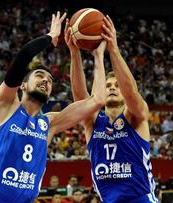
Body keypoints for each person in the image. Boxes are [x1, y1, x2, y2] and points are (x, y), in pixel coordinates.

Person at [0, 11, 107, 202]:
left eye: (50, 80)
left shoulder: (49, 123)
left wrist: (94, 56)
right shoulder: (5, 106)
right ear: (23, 85)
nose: (46, 80)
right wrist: (50, 38)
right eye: (39, 76)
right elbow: (23, 56)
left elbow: (97, 101)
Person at [66, 15, 158, 202]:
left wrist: (113, 48)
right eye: (108, 86)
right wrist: (76, 54)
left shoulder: (135, 117)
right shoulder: (93, 123)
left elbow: (131, 92)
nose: (112, 88)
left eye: (117, 85)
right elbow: (81, 99)